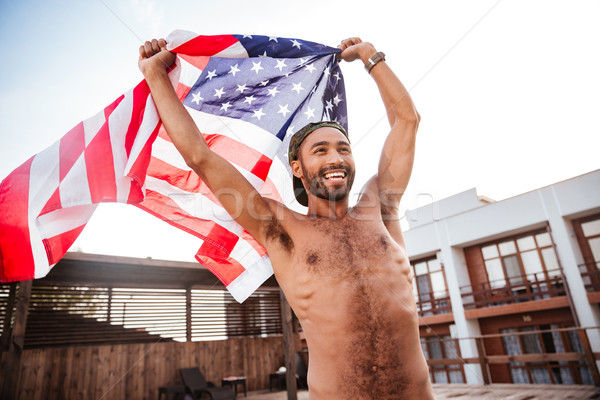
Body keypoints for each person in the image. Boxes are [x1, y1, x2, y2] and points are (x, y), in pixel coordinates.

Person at [139, 36, 434, 399]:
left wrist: (371, 58)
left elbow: (408, 120)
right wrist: (155, 75)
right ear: (297, 167)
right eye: (320, 150)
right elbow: (200, 157)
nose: (335, 158)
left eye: (344, 149)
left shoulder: (381, 207)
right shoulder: (281, 229)